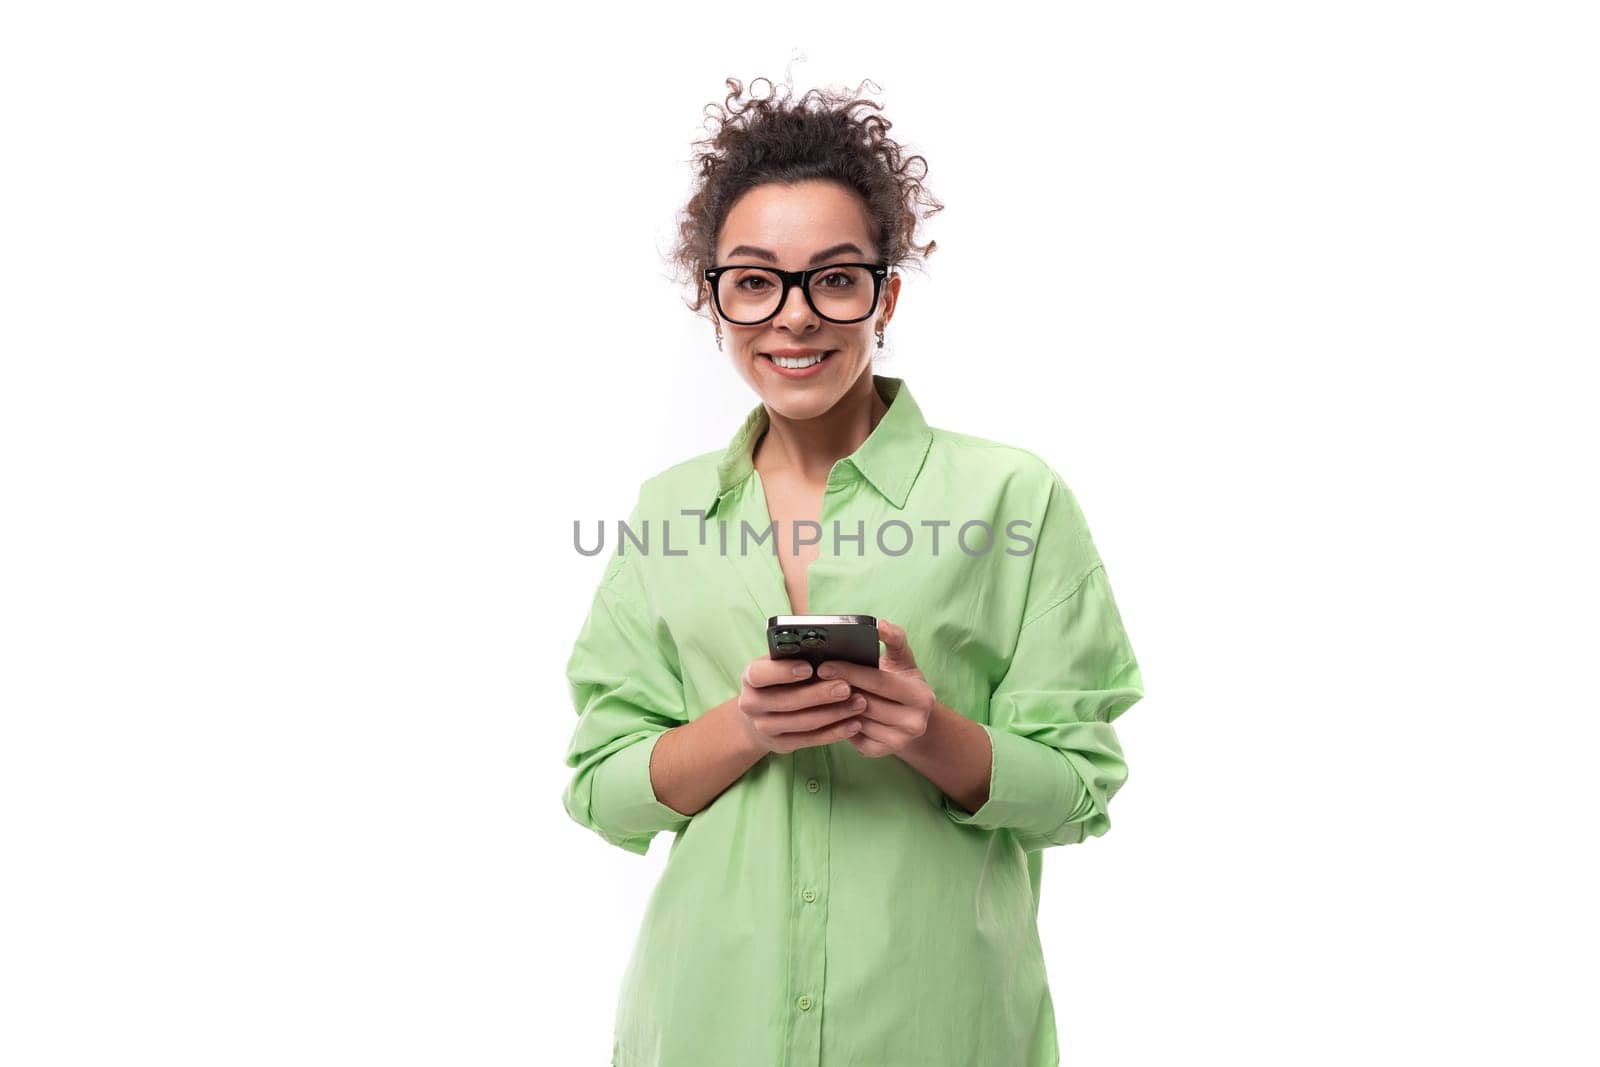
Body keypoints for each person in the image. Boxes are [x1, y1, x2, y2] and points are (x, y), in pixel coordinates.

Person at [562, 76, 1145, 1067]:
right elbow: (602, 788)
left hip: (938, 1029)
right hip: (710, 1028)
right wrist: (743, 727)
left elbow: (1077, 788)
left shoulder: (1016, 499)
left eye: (833, 277)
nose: (793, 318)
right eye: (754, 280)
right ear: (714, 299)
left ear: (887, 292)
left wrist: (931, 731)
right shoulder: (670, 512)